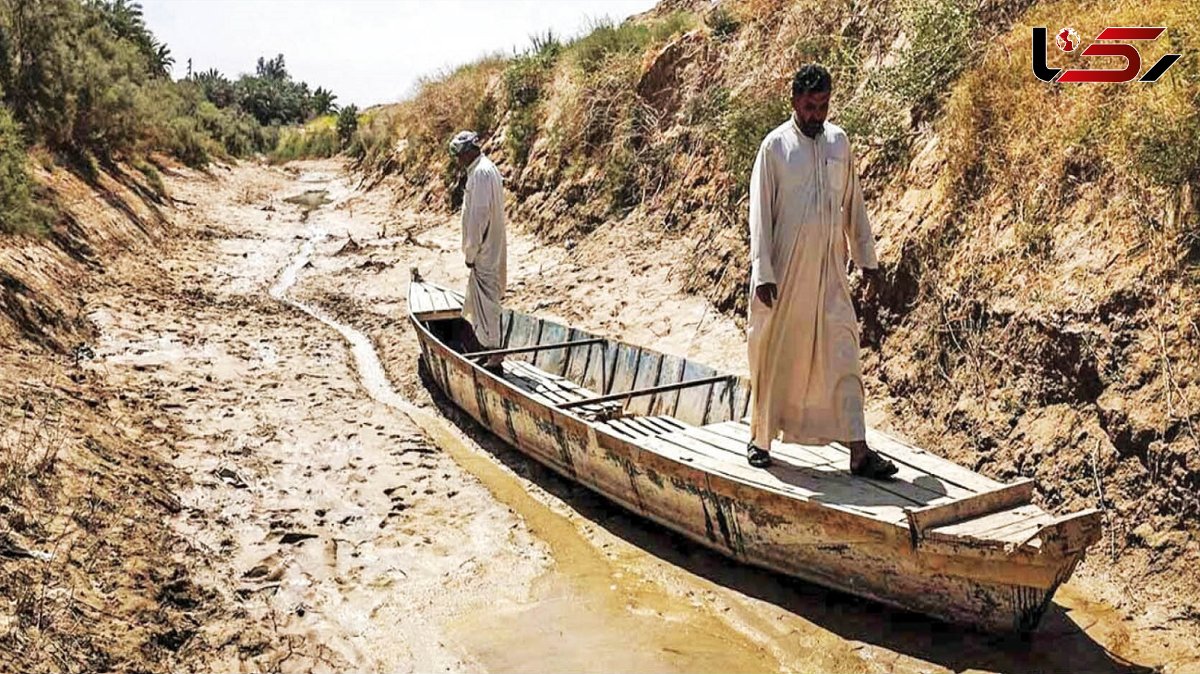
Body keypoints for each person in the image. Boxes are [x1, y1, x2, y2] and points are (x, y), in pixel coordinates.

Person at [744, 64, 898, 479]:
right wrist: (763, 273)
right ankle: (760, 438)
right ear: (794, 101)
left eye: (824, 106)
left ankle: (859, 451)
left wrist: (868, 261)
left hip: (831, 273)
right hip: (785, 276)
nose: (817, 115)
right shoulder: (774, 148)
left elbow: (855, 204)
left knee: (844, 353)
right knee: (775, 355)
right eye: (810, 106)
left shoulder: (839, 143)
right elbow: (759, 215)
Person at [448, 130, 507, 373]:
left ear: (469, 151)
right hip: (489, 246)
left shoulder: (481, 173)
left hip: (484, 250)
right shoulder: (485, 168)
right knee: (485, 300)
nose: (458, 159)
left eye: (460, 154)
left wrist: (471, 253)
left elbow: (478, 217)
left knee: (487, 302)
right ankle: (489, 350)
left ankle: (494, 357)